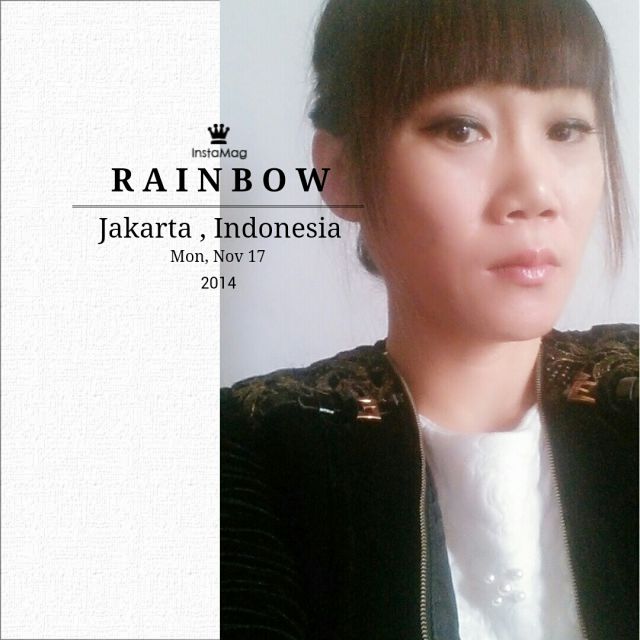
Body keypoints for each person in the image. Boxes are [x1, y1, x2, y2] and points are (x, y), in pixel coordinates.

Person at [221, 1, 638, 638]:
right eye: (461, 129)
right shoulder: (254, 447)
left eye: (566, 129)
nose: (536, 193)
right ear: (341, 172)